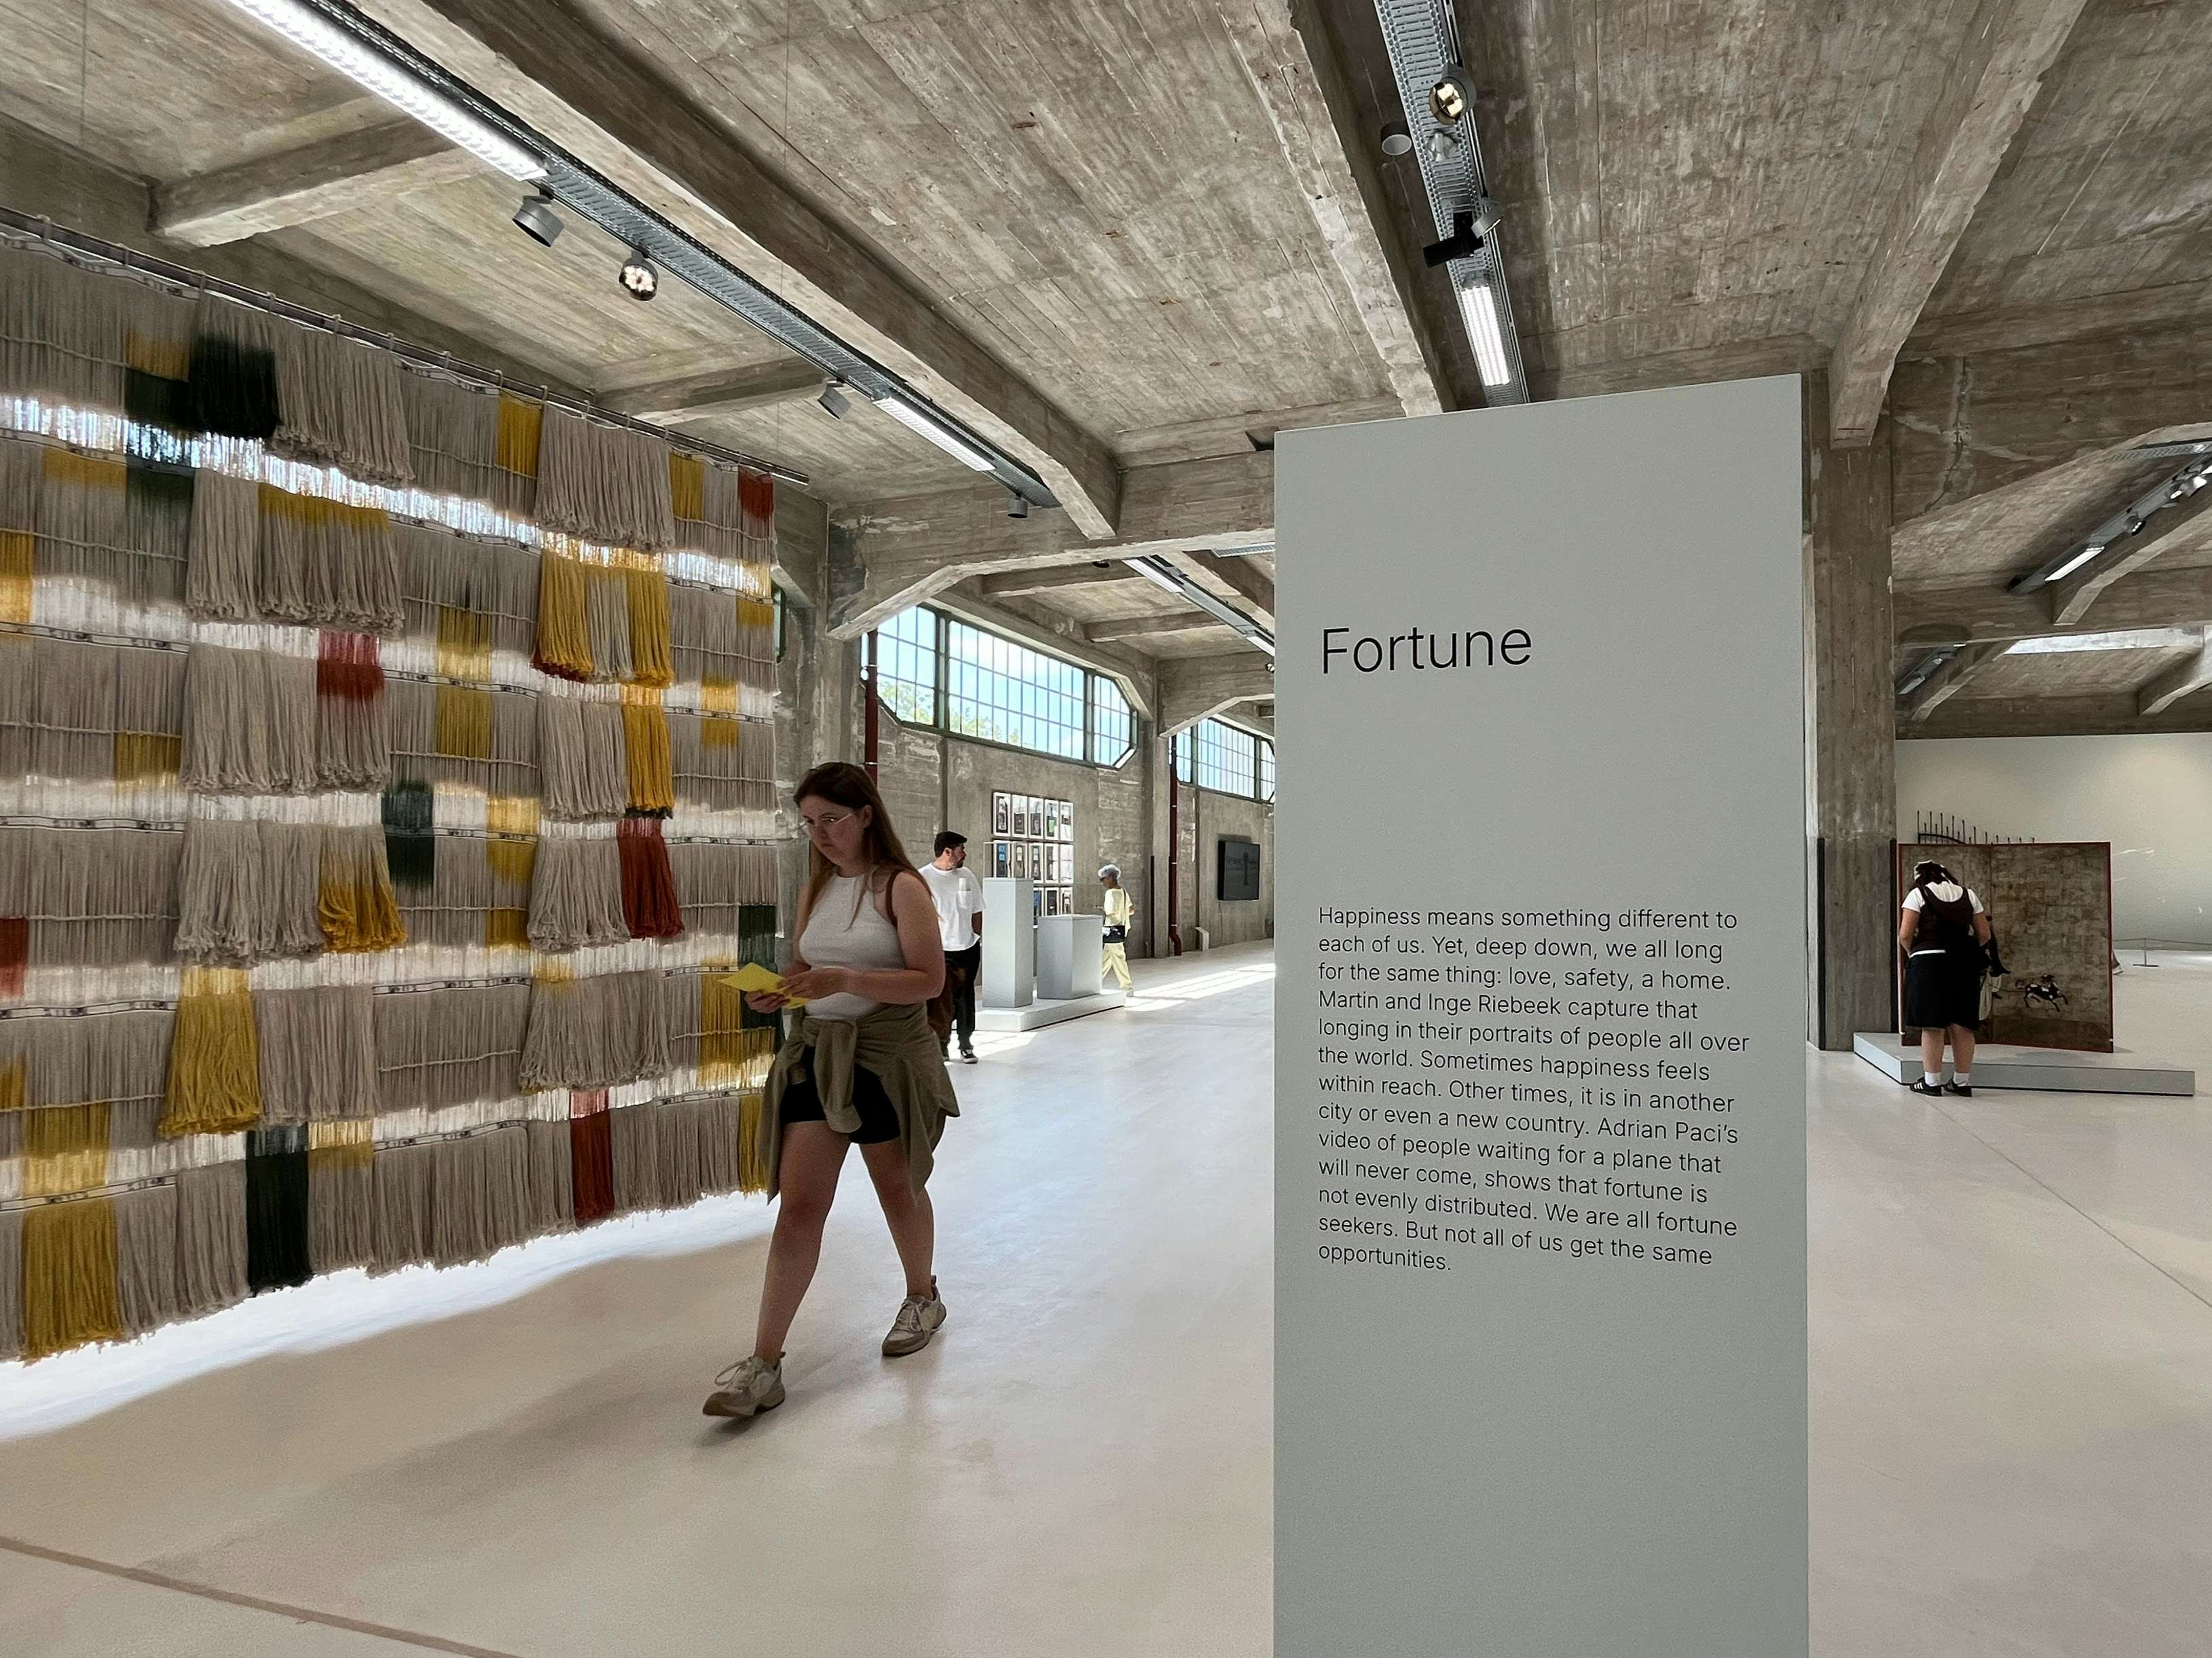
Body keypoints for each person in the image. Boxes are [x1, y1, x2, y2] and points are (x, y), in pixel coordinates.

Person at [703, 762, 961, 1421]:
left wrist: (845, 978)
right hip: (819, 1056)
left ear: (866, 816)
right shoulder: (816, 887)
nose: (819, 834)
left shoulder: (901, 887)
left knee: (897, 1188)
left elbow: (929, 980)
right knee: (799, 1209)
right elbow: (805, 964)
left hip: (884, 1059)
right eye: (809, 823)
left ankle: (922, 1296)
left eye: (831, 820)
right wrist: (781, 988)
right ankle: (764, 1362)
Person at [1898, 860, 1995, 1098]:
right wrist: (1963, 950)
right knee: (1962, 1024)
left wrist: (1913, 953)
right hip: (1963, 963)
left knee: (1933, 1024)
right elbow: (1984, 934)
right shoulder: (1969, 895)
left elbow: (1905, 934)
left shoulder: (1917, 894)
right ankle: (1961, 1082)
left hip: (1928, 962)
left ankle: (1932, 1082)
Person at [923, 830, 984, 1065]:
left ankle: (966, 1044)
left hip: (968, 947)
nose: (964, 854)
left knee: (966, 997)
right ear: (948, 852)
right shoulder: (923, 878)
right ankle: (941, 1044)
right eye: (961, 849)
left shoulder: (967, 875)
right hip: (940, 950)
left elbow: (977, 910)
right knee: (941, 999)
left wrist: (976, 937)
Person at [1100, 864, 1135, 993]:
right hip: (1122, 929)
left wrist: (1103, 909)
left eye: (1103, 879)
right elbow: (1131, 910)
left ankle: (1127, 987)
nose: (1102, 882)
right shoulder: (1123, 892)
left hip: (1112, 930)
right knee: (1106, 959)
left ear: (1109, 878)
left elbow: (1111, 912)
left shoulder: (1111, 893)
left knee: (1119, 959)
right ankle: (1094, 982)